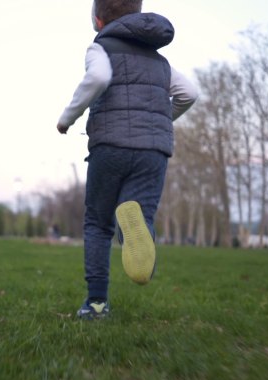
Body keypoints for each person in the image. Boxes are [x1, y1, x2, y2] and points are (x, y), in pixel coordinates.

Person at [57, 0, 197, 320]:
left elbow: (98, 78)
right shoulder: (159, 59)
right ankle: (135, 236)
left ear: (97, 19)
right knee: (139, 216)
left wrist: (68, 118)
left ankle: (96, 303)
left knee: (97, 222)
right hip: (154, 149)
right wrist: (159, 120)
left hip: (111, 145)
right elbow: (188, 93)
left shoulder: (100, 47)